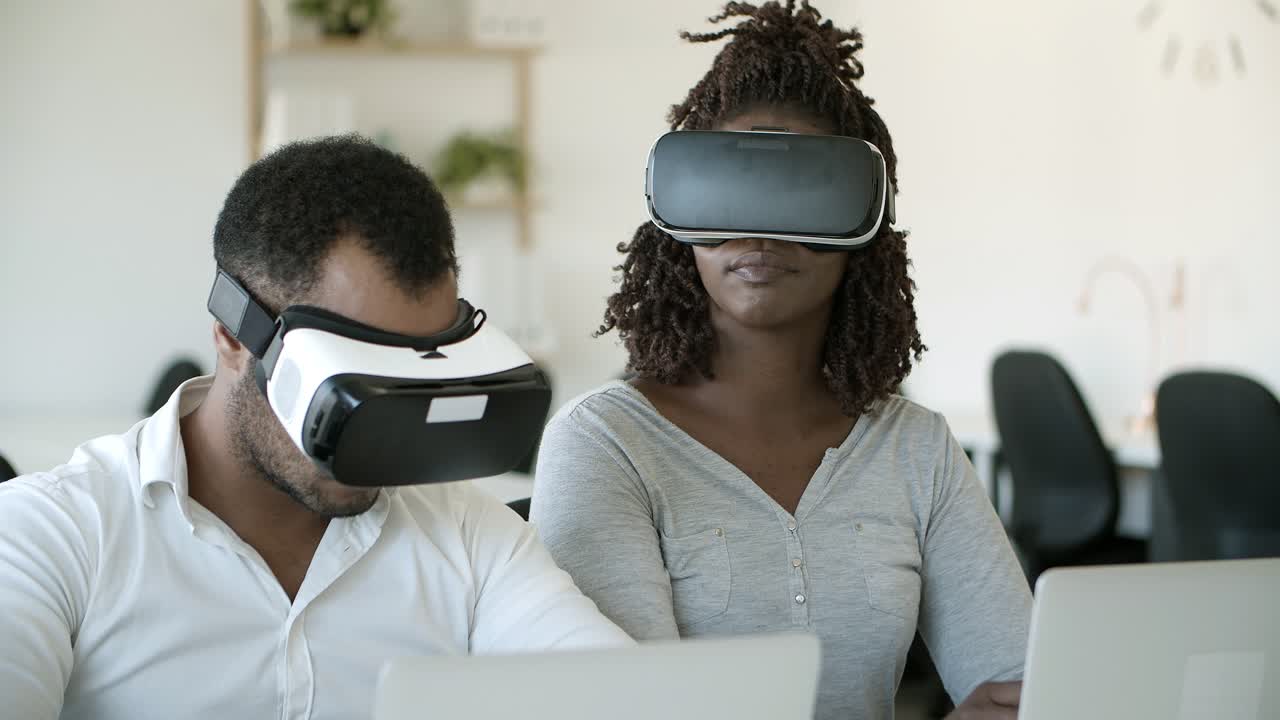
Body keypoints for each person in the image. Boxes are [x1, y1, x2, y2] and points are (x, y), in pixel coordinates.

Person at [0, 136, 631, 720]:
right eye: (352, 379)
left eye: (415, 374)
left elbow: (621, 698)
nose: (383, 433)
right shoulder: (51, 538)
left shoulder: (469, 536)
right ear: (232, 335)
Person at [530, 3, 1031, 719]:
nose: (760, 232)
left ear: (861, 219)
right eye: (733, 188)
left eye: (801, 191)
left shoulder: (915, 449)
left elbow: (1021, 690)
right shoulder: (605, 446)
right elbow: (634, 711)